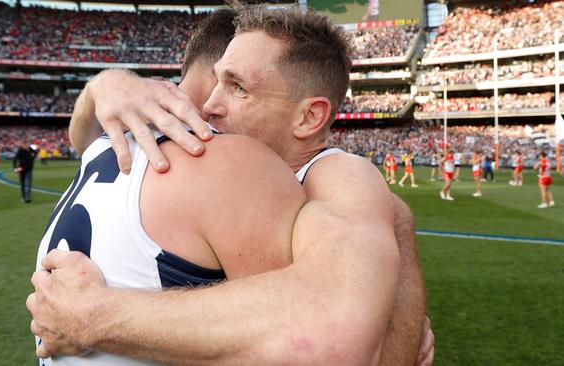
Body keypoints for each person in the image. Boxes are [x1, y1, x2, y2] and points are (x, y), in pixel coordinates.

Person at [28, 5, 433, 365]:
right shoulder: (200, 158)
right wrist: (105, 84)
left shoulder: (339, 175)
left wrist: (92, 316)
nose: (209, 105)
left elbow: (326, 341)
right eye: (217, 81)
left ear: (310, 118)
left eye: (238, 88)